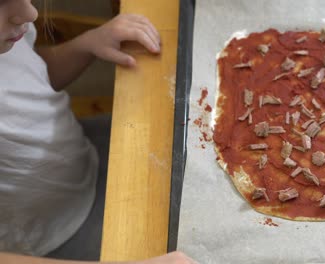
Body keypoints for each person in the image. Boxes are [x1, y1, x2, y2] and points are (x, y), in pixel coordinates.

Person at [0, 0, 195, 263]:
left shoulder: (8, 30)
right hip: (56, 238)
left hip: (83, 158)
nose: (30, 13)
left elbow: (30, 72)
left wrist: (87, 44)